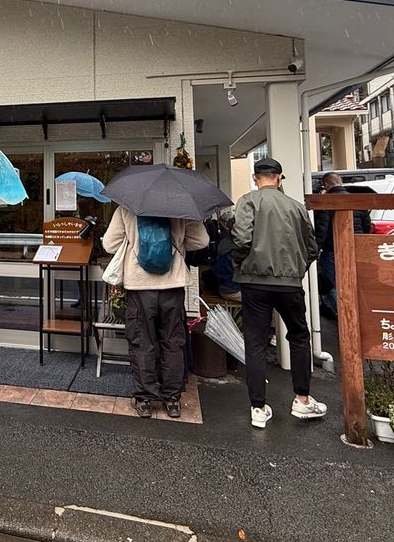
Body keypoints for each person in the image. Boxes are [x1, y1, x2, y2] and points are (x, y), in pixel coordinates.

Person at [230, 158, 326, 429]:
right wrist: (296, 270)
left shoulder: (249, 201)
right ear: (280, 178)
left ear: (254, 177)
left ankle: (258, 408)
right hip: (290, 283)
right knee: (298, 336)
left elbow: (241, 239)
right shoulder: (296, 207)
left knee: (256, 343)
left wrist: (239, 262)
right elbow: (311, 248)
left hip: (254, 282)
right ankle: (302, 399)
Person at [102, 206, 209, 419]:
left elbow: (109, 244)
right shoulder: (180, 207)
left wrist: (134, 245)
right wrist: (177, 245)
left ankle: (143, 399)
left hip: (139, 287)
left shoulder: (127, 207)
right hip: (173, 285)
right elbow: (202, 240)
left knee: (142, 342)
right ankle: (172, 400)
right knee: (172, 341)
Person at [313, 171, 373, 320]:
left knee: (336, 285)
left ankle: (345, 317)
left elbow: (322, 229)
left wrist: (315, 249)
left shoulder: (327, 201)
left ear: (326, 185)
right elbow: (367, 226)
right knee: (353, 283)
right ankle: (360, 316)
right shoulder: (355, 201)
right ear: (340, 182)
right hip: (355, 248)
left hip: (333, 249)